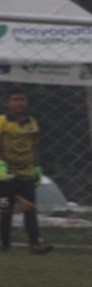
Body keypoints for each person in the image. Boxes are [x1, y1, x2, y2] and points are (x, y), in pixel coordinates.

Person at [0, 88, 52, 254]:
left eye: (22, 99)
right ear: (8, 103)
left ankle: (35, 245)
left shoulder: (31, 123)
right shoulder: (2, 122)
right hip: (6, 175)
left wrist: (37, 168)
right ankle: (4, 246)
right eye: (15, 99)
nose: (19, 103)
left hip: (26, 174)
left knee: (29, 209)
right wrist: (1, 167)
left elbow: (34, 147)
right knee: (5, 211)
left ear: (27, 102)